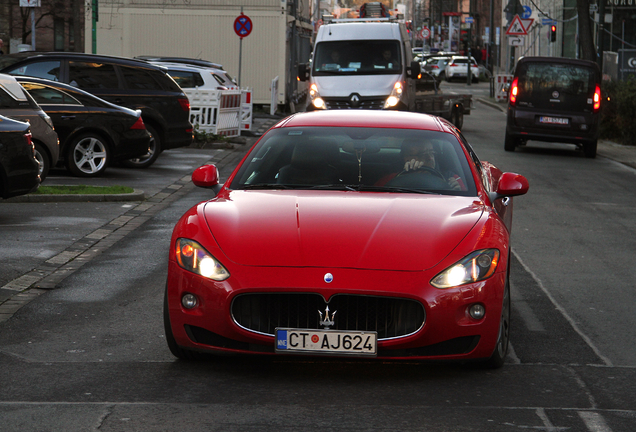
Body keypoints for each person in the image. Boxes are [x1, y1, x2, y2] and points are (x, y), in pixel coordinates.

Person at [376, 139, 463, 190]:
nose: (430, 158)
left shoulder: (451, 178)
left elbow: (467, 202)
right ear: (407, 159)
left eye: (432, 153)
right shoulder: (391, 179)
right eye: (423, 154)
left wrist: (457, 191)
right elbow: (376, 199)